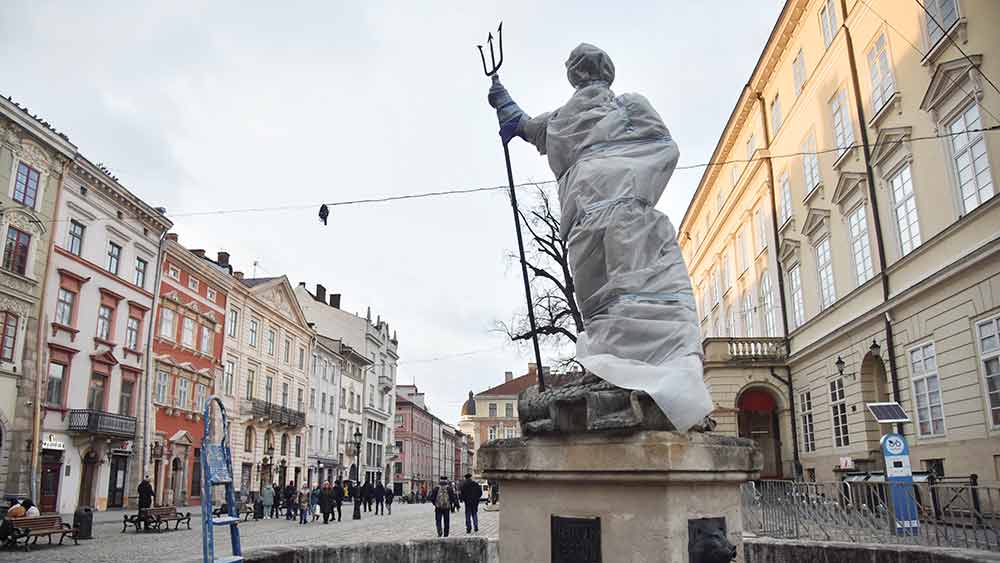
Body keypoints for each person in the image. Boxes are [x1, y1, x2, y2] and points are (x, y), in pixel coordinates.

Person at [486, 44, 712, 432]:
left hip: (583, 220)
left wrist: (501, 97)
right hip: (628, 214)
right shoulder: (629, 106)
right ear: (608, 73)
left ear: (572, 75)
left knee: (599, 300)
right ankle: (659, 376)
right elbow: (665, 148)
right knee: (647, 288)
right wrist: (632, 177)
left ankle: (619, 372)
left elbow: (520, 123)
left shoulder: (560, 120)